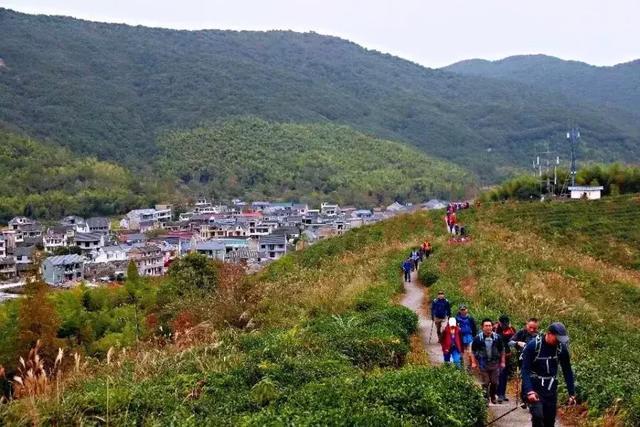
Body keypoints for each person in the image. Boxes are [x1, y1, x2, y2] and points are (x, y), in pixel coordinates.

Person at [521, 322, 576, 427]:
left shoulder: (561, 349)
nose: (558, 342)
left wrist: (571, 393)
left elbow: (567, 370)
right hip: (535, 388)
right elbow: (525, 370)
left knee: (549, 422)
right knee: (538, 416)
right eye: (557, 339)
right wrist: (529, 391)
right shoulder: (533, 346)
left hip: (551, 390)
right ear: (549, 334)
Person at [471, 318, 506, 405]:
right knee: (485, 383)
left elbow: (502, 350)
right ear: (482, 327)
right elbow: (473, 351)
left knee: (494, 382)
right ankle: (485, 399)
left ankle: (493, 395)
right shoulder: (478, 338)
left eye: (490, 325)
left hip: (494, 363)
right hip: (483, 364)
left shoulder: (497, 337)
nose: (488, 327)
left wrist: (502, 362)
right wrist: (474, 362)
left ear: (492, 326)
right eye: (486, 326)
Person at [494, 315, 517, 403]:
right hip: (496, 355)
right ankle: (498, 393)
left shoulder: (511, 329)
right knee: (498, 374)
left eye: (506, 324)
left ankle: (502, 394)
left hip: (507, 355)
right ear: (499, 322)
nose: (504, 325)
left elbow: (514, 340)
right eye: (503, 324)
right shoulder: (495, 329)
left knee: (504, 375)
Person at [455, 305, 477, 369]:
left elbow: (474, 327)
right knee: (462, 353)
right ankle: (463, 367)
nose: (463, 311)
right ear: (459, 310)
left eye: (464, 309)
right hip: (460, 338)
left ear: (467, 310)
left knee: (470, 353)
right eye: (461, 310)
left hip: (470, 337)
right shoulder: (456, 319)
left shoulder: (470, 318)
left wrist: (474, 336)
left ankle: (469, 366)